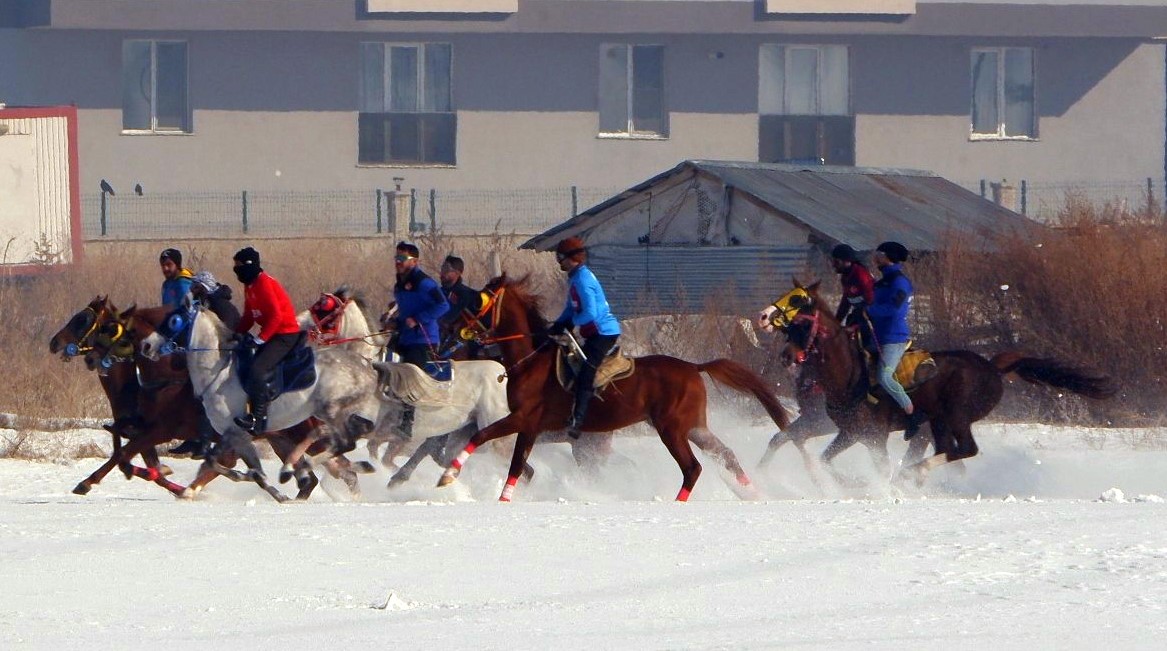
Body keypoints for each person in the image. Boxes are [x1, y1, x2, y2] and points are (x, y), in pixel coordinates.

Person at [547, 236, 621, 439]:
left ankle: (578, 420)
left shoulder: (583, 279)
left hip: (603, 333)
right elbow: (571, 308)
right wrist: (558, 324)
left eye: (560, 257)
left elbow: (590, 313)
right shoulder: (574, 277)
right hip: (592, 332)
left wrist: (573, 323)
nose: (558, 261)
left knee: (586, 371)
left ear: (571, 258)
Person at [230, 247, 305, 435]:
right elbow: (249, 316)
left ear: (249, 265)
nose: (236, 270)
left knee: (258, 368)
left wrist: (260, 339)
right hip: (272, 333)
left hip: (285, 334)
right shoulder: (250, 286)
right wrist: (235, 333)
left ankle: (258, 418)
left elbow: (277, 317)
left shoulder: (264, 283)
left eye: (238, 266)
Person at [168, 270, 242, 457]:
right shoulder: (205, 304)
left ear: (203, 287)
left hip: (230, 355)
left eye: (195, 286)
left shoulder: (220, 304)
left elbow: (226, 332)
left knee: (206, 394)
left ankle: (205, 440)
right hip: (216, 355)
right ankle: (194, 436)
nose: (192, 289)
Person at [866, 241, 927, 440]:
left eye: (880, 254)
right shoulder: (882, 281)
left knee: (885, 377)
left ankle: (911, 413)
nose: (876, 258)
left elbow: (895, 309)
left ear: (889, 257)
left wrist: (870, 310)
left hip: (893, 338)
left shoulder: (900, 282)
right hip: (876, 336)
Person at [390, 241, 449, 439]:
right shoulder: (400, 283)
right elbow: (404, 312)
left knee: (409, 376)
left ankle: (406, 424)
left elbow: (443, 306)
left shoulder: (425, 283)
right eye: (396, 258)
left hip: (423, 340)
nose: (397, 262)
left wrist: (418, 319)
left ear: (414, 261)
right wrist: (394, 323)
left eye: (401, 259)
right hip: (405, 337)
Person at [829, 243, 876, 354]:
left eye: (836, 262)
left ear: (847, 261)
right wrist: (836, 321)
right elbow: (846, 301)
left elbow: (871, 299)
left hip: (870, 317)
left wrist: (861, 322)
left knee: (866, 343)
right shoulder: (845, 278)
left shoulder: (861, 274)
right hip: (857, 314)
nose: (834, 265)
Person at [438, 255, 484, 358]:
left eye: (446, 269)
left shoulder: (468, 295)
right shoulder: (437, 293)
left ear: (458, 273)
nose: (442, 273)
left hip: (459, 341)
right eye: (442, 268)